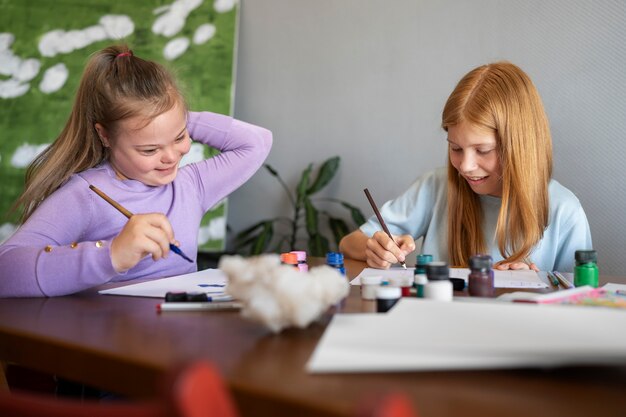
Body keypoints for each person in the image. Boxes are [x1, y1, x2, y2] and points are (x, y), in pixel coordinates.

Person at [0, 45, 272, 297]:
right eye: (149, 150)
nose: (170, 157)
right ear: (105, 136)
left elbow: (256, 143)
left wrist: (172, 116)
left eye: (179, 138)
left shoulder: (191, 185)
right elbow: (5, 270)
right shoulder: (86, 195)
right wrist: (111, 255)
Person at [340, 62, 591, 273]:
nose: (466, 167)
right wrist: (376, 249)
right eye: (455, 148)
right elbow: (349, 243)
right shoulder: (434, 187)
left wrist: (538, 286)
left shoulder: (564, 211)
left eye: (483, 150)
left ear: (521, 146)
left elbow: (580, 300)